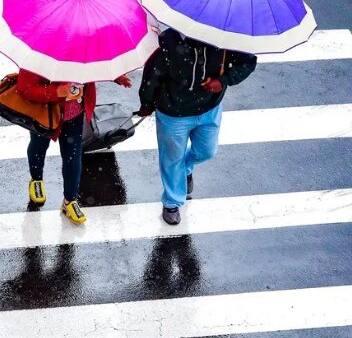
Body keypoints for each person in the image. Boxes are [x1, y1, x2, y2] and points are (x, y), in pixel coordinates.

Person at [137, 29, 257, 225]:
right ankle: (172, 202)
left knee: (207, 151)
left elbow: (248, 62)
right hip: (173, 113)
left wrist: (223, 80)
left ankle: (186, 169)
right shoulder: (167, 41)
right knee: (172, 159)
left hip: (209, 108)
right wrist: (146, 103)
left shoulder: (225, 38)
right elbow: (152, 74)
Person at [17, 69, 132, 224]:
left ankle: (70, 200)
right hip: (45, 113)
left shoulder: (83, 46)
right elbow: (25, 90)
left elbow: (95, 60)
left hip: (74, 114)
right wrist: (57, 92)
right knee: (39, 146)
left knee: (73, 155)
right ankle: (36, 179)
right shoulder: (40, 53)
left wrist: (113, 74)